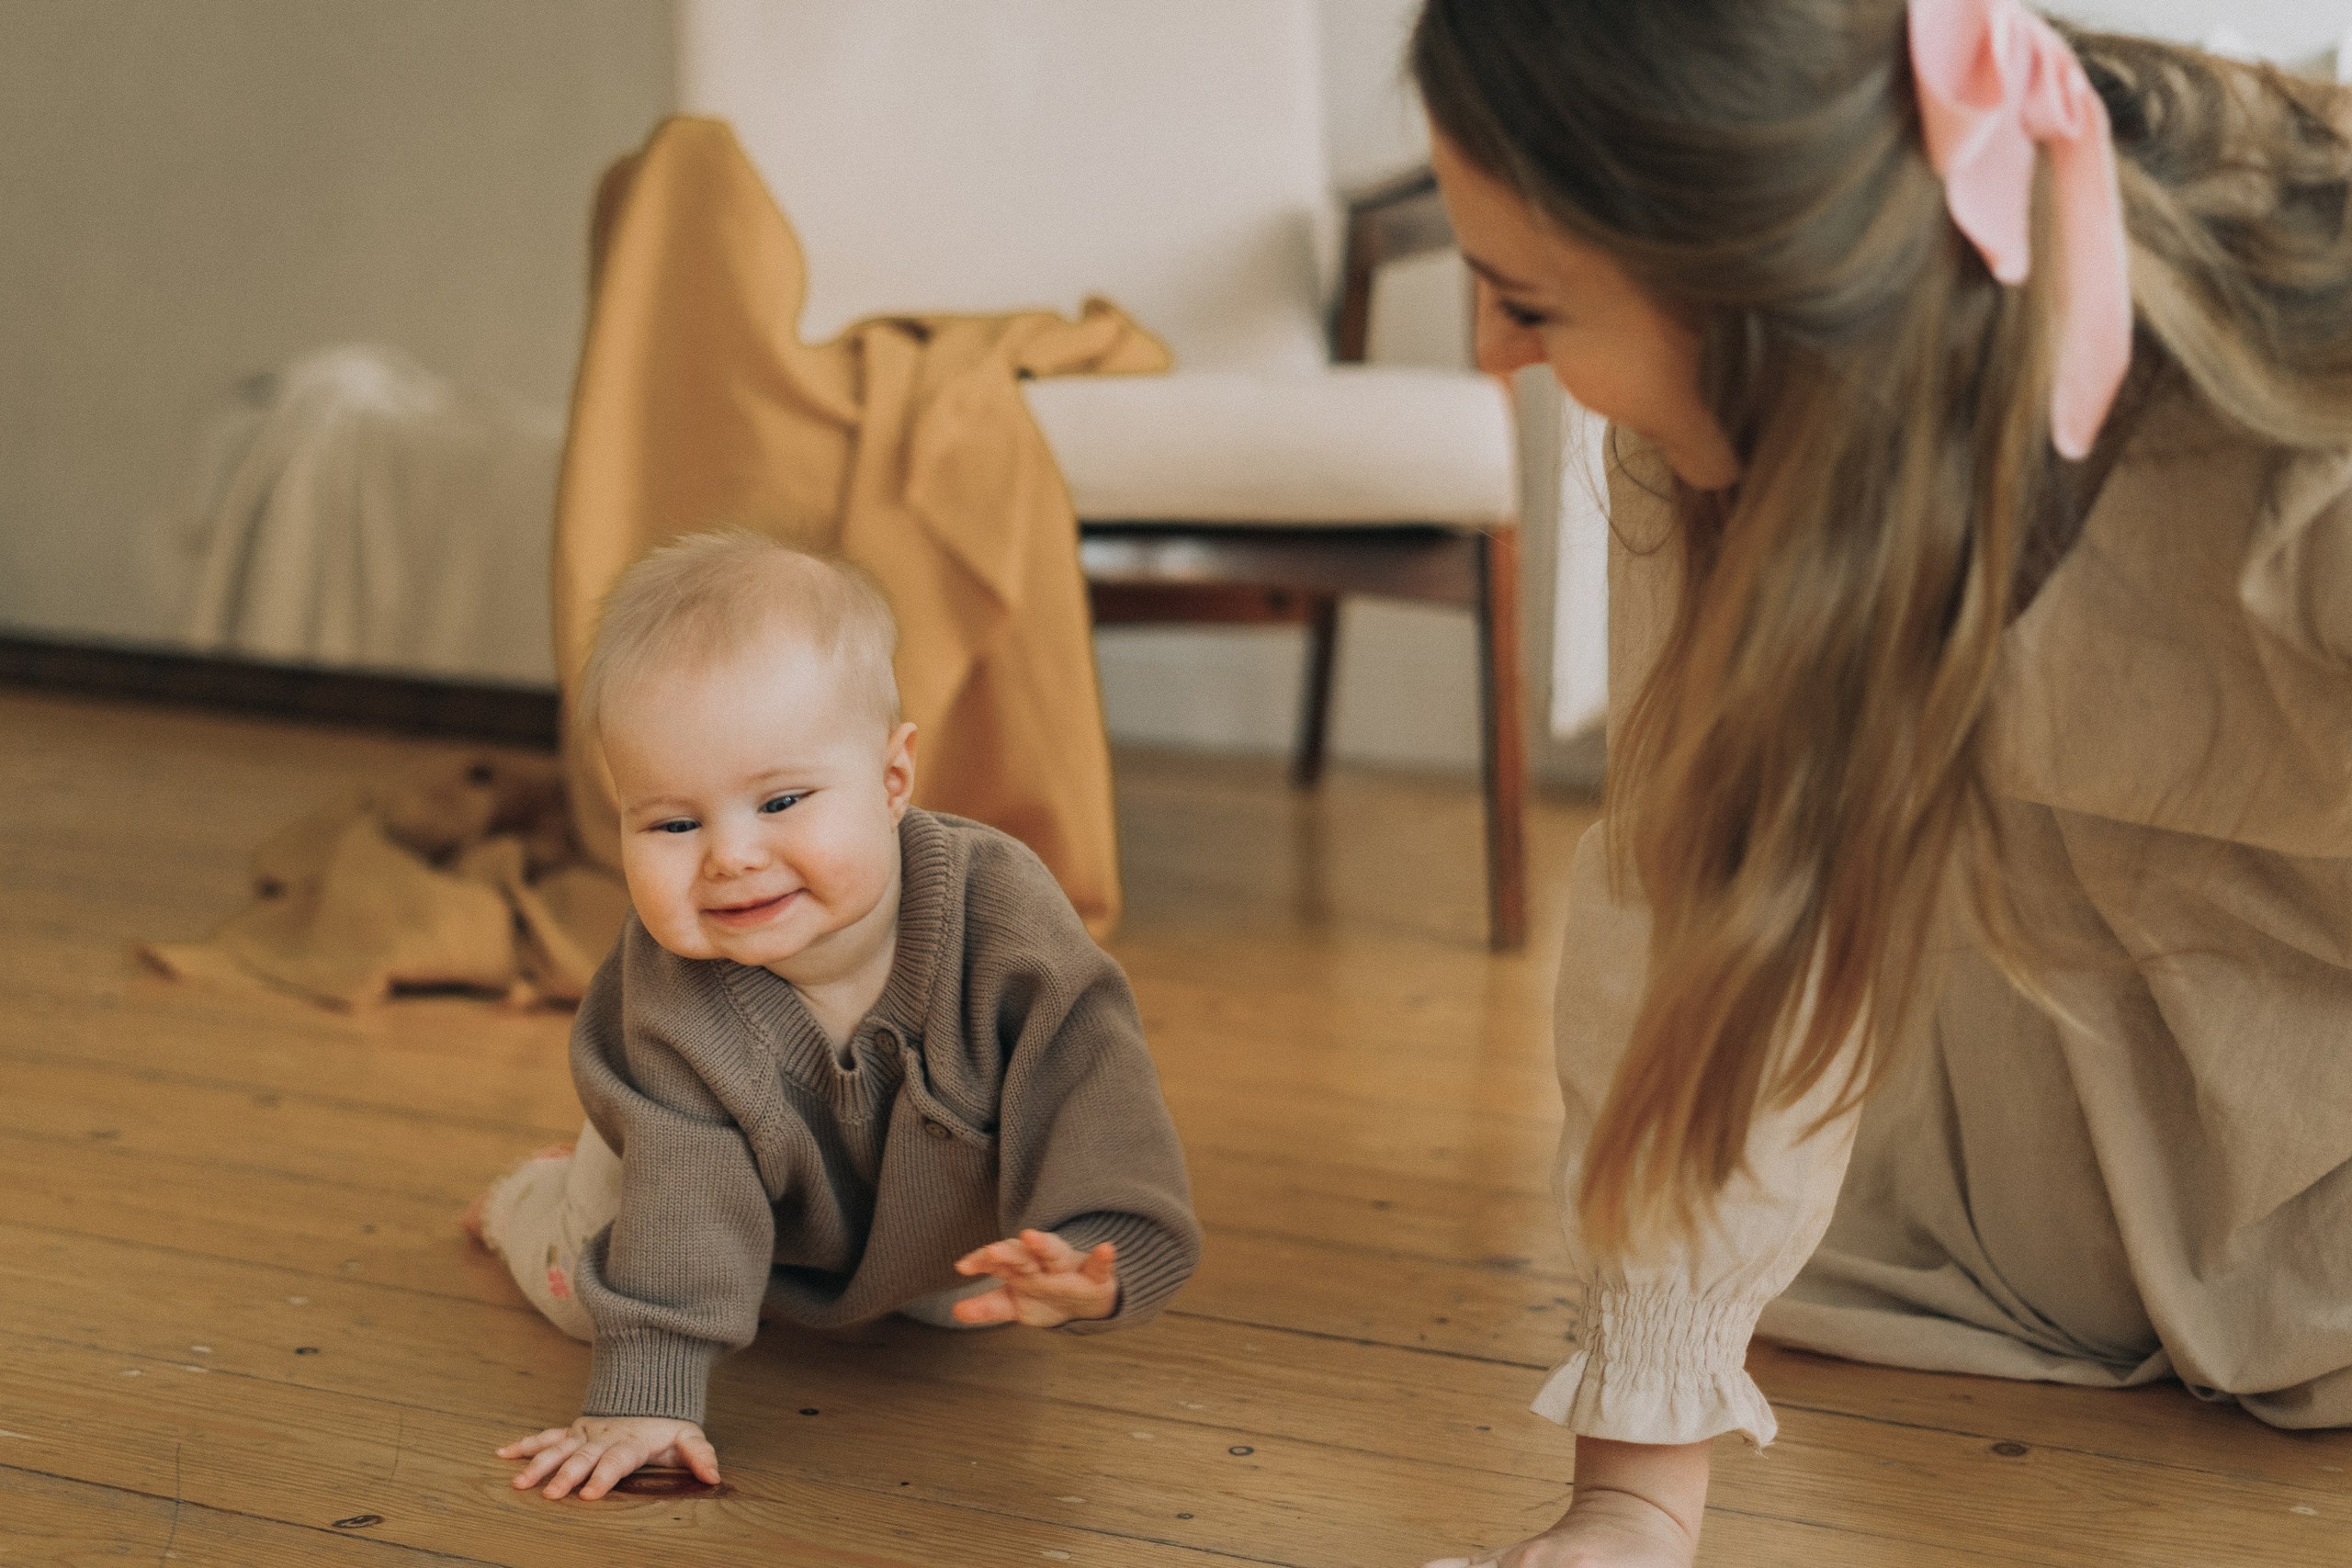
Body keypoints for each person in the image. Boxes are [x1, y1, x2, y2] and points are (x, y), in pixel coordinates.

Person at [1408, 2, 2352, 1563]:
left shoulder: (2300, 425)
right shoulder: (1738, 416)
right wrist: (1632, 1503)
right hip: (2044, 1092)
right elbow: (1701, 906)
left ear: (1764, 286)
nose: (1494, 358)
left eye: (1524, 300)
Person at [464, 531, 1201, 1502]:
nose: (730, 855)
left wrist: (1097, 1245)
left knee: (972, 1296)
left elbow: (1090, 1082)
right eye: (673, 823)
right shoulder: (671, 992)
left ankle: (878, 1270)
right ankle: (528, 1200)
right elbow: (687, 1203)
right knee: (594, 1291)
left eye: (780, 801)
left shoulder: (1003, 916)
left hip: (911, 1217)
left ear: (892, 781)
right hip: (678, 1190)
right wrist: (647, 1400)